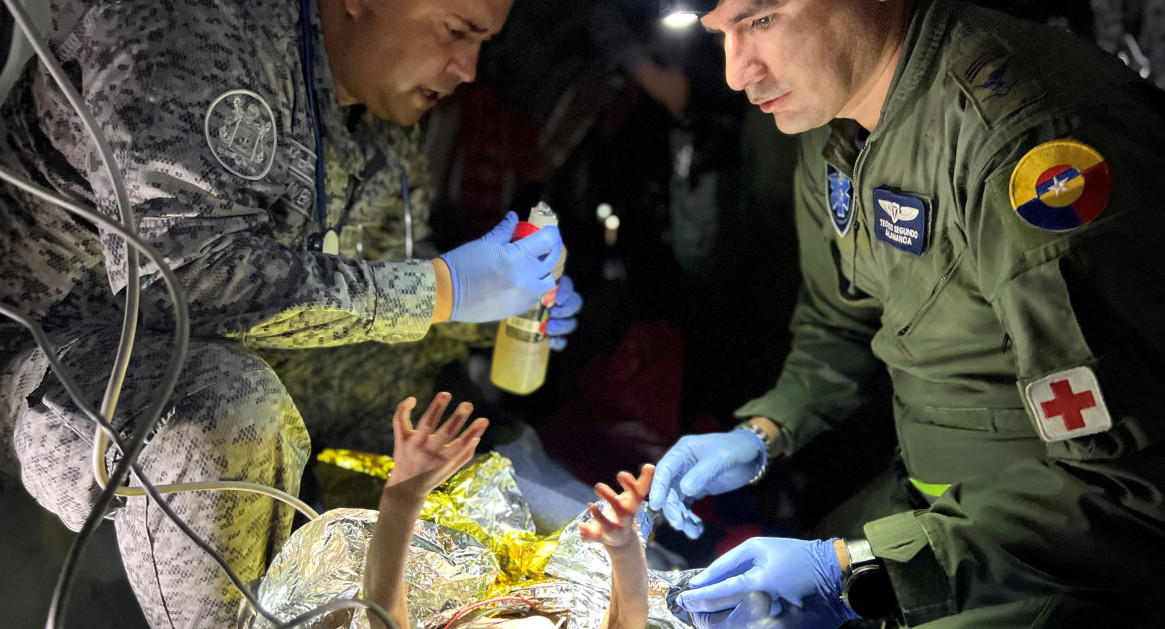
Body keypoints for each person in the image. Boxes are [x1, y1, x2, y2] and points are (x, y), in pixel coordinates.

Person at [0, 0, 578, 626]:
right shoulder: (191, 28)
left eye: (483, 43)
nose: (468, 69)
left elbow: (364, 276)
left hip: (228, 351)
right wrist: (442, 289)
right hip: (52, 361)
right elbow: (181, 280)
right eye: (459, 30)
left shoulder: (370, 115)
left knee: (415, 388)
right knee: (228, 410)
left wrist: (495, 305)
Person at [645, 0, 1165, 626]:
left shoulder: (1027, 139)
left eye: (761, 21)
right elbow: (839, 324)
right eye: (720, 34)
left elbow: (1132, 491)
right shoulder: (833, 118)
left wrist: (855, 567)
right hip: (933, 499)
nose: (735, 73)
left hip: (1065, 544)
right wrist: (764, 432)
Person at [363, 392, 654, 629]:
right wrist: (623, 545)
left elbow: (382, 610)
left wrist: (403, 495)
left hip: (462, 582)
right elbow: (626, 619)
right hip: (556, 581)